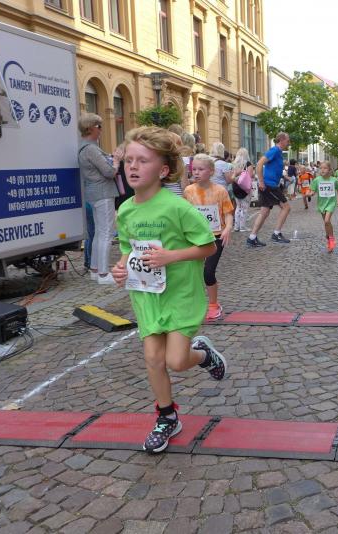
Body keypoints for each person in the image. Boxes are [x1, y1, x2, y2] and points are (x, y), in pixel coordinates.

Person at [112, 126, 227, 453]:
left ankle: (203, 355)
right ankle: (167, 417)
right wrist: (121, 267)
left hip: (180, 295)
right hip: (146, 294)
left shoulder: (177, 207)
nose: (133, 167)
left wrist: (171, 256)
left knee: (176, 361)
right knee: (153, 357)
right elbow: (128, 248)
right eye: (129, 160)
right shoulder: (125, 210)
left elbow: (208, 246)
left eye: (143, 161)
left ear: (163, 171)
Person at [184, 154, 234, 321]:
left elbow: (228, 213)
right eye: (194, 169)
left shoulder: (220, 191)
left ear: (211, 171)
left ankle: (213, 304)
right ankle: (195, 303)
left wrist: (228, 228)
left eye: (201, 169)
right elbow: (185, 215)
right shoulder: (189, 191)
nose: (196, 172)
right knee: (193, 272)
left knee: (208, 271)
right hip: (195, 237)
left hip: (216, 237)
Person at [78, 113, 121, 284]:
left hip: (94, 193)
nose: (101, 130)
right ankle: (103, 274)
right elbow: (109, 172)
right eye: (99, 126)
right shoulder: (91, 149)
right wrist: (116, 160)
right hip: (103, 193)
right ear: (91, 128)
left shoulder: (84, 147)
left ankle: (95, 270)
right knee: (106, 233)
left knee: (98, 233)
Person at [247, 132, 292, 247]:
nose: (288, 143)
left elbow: (274, 169)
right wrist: (261, 181)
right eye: (287, 141)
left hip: (269, 185)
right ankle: (276, 234)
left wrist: (284, 177)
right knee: (286, 207)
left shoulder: (279, 152)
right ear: (281, 140)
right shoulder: (274, 150)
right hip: (269, 185)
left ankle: (252, 238)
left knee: (264, 212)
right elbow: (259, 164)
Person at [308, 161, 338, 252]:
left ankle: (331, 239)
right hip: (321, 204)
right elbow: (312, 190)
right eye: (321, 168)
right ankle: (328, 236)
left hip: (331, 203)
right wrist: (310, 193)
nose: (322, 170)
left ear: (329, 170)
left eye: (325, 168)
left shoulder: (334, 180)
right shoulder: (317, 180)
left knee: (327, 220)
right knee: (326, 223)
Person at [231, 148, 253, 232]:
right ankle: (242, 227)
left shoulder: (234, 164)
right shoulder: (248, 164)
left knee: (238, 207)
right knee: (244, 208)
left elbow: (232, 176)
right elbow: (250, 176)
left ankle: (236, 227)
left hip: (236, 187)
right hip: (245, 188)